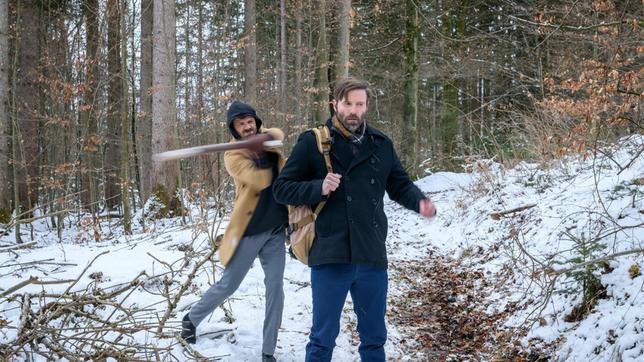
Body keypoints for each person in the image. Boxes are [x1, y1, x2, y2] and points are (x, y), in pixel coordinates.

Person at [273, 77, 436, 361]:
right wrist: (318, 187)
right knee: (322, 339)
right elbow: (281, 188)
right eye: (348, 104)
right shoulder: (313, 142)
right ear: (335, 104)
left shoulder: (381, 144)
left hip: (371, 255)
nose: (353, 111)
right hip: (330, 255)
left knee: (374, 339)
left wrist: (419, 202)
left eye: (359, 104)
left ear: (366, 106)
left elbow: (399, 184)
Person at [181, 101, 287, 362]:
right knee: (229, 284)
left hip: (275, 229)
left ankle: (268, 351)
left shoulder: (266, 138)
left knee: (275, 286)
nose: (247, 127)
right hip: (250, 230)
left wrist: (264, 141)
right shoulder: (232, 155)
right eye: (241, 124)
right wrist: (256, 151)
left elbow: (279, 135)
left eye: (249, 121)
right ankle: (191, 319)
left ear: (255, 121)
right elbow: (260, 180)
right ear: (234, 129)